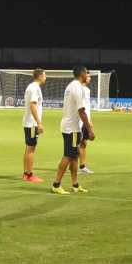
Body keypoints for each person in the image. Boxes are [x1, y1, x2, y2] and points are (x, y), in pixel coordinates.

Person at [51, 66, 95, 195]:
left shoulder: (73, 86)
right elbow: (81, 111)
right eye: (86, 73)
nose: (87, 75)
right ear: (82, 74)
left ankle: (75, 184)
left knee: (75, 156)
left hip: (71, 126)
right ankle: (56, 184)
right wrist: (89, 129)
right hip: (72, 128)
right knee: (68, 156)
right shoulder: (77, 88)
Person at [21, 68, 46, 183]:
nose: (46, 77)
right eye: (44, 75)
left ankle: (26, 173)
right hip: (32, 123)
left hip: (28, 122)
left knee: (28, 148)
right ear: (40, 76)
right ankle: (30, 175)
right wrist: (39, 123)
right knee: (31, 149)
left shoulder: (31, 87)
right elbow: (32, 105)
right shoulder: (35, 88)